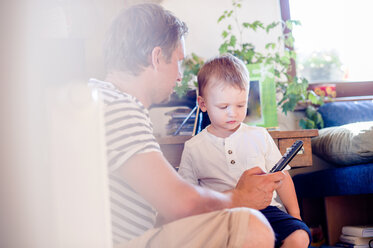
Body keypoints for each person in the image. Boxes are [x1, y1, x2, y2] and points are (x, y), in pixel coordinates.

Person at [89, 3, 286, 247]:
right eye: (178, 61)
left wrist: (235, 196)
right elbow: (180, 203)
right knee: (250, 227)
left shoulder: (101, 99)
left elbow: (165, 212)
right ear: (157, 57)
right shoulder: (120, 107)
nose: (180, 75)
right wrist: (240, 197)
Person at [178, 54, 311, 248]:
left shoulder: (259, 135)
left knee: (300, 236)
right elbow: (188, 196)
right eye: (223, 106)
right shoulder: (193, 147)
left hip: (266, 210)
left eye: (240, 105)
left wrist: (296, 215)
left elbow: (282, 178)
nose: (233, 112)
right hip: (223, 215)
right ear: (203, 104)